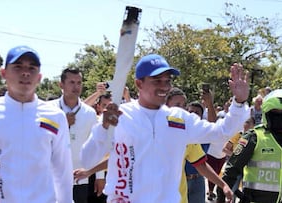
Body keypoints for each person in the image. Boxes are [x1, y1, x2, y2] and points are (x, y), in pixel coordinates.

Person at [80, 53, 250, 202]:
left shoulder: (179, 119)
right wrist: (103, 128)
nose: (164, 86)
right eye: (157, 81)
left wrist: (239, 103)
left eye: (167, 81)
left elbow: (221, 133)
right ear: (139, 84)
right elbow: (88, 160)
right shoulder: (119, 116)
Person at [0, 45, 73, 202]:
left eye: (32, 68)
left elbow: (62, 172)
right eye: (18, 67)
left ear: (39, 77)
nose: (25, 73)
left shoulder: (55, 116)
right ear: (4, 73)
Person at [216, 89, 282, 203]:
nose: (279, 117)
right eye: (275, 113)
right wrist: (221, 198)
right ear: (266, 113)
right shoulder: (254, 137)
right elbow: (232, 170)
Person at [48, 67, 105, 203]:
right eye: (71, 82)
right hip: (51, 177)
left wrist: (99, 176)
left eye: (79, 83)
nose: (76, 87)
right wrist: (63, 125)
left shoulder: (89, 113)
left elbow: (96, 145)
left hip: (79, 177)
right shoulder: (49, 110)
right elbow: (40, 141)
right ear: (61, 85)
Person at [165, 87, 232, 203]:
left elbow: (201, 164)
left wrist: (223, 185)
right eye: (177, 104)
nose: (181, 109)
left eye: (183, 105)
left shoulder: (187, 134)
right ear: (165, 105)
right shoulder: (148, 130)